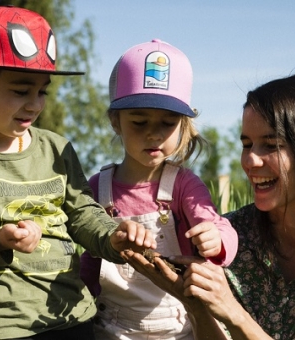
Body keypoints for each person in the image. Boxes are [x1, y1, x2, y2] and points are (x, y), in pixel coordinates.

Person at [0, 6, 156, 340]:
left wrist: (113, 237)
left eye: (42, 91)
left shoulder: (56, 149)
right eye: (20, 90)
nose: (35, 104)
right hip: (1, 328)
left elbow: (84, 215)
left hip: (74, 318)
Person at [122, 72, 295, 339]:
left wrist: (234, 312)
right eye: (246, 144)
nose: (250, 161)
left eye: (271, 145)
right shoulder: (229, 238)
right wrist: (194, 304)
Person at [79, 39, 238, 339]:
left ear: (183, 124)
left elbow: (219, 226)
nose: (153, 133)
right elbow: (90, 261)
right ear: (116, 121)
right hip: (113, 329)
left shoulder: (183, 185)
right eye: (139, 122)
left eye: (167, 123)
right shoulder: (99, 188)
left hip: (178, 326)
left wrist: (216, 241)